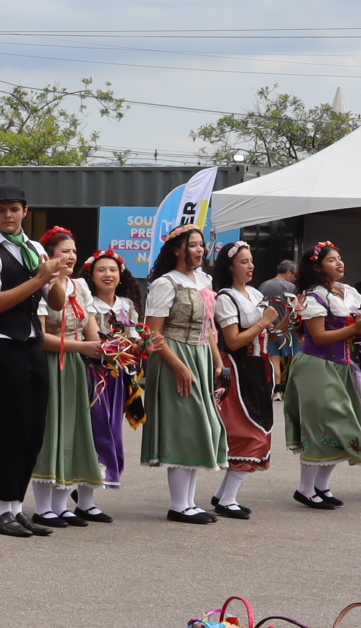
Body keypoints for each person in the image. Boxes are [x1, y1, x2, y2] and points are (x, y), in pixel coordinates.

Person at [0, 184, 61, 535]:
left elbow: (56, 304)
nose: (8, 215)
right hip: (0, 342)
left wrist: (58, 276)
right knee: (13, 427)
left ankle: (16, 507)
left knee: (35, 428)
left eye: (14, 209)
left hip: (31, 341)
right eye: (1, 209)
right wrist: (39, 278)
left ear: (26, 211)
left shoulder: (35, 248)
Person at [140, 224, 228, 523]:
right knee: (182, 428)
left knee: (198, 428)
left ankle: (189, 502)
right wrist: (178, 366)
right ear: (178, 249)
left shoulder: (203, 280)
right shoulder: (166, 283)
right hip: (173, 356)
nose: (200, 249)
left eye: (201, 245)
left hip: (200, 355)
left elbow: (209, 330)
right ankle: (179, 505)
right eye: (193, 245)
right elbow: (152, 334)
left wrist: (217, 363)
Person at [280, 240, 361, 508]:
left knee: (343, 423)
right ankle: (305, 488)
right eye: (332, 259)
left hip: (342, 366)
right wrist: (355, 329)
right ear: (318, 267)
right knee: (321, 425)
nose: (339, 262)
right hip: (316, 365)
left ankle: (321, 485)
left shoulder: (346, 293)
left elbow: (348, 332)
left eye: (339, 258)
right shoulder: (313, 297)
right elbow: (320, 337)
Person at [28, 227, 101, 529]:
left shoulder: (80, 286)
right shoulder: (43, 287)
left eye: (73, 251)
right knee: (49, 432)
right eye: (63, 252)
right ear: (49, 256)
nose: (70, 256)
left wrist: (109, 348)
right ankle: (42, 507)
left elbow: (90, 326)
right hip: (48, 362)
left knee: (70, 431)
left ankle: (61, 505)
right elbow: (40, 338)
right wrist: (84, 347)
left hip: (73, 364)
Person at [208, 239, 284, 519]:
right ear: (230, 266)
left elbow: (270, 333)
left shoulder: (253, 293)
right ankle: (227, 499)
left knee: (259, 429)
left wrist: (283, 319)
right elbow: (234, 341)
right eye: (243, 261)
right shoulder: (226, 298)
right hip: (239, 369)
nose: (251, 266)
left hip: (258, 367)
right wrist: (263, 322)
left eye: (251, 260)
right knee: (247, 433)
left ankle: (224, 496)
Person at [76, 251, 142, 521]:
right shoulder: (87, 303)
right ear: (91, 275)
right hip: (93, 375)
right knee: (94, 433)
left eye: (112, 270)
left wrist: (142, 344)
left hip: (118, 377)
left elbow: (135, 338)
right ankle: (84, 499)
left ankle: (85, 499)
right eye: (101, 270)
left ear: (121, 275)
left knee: (111, 433)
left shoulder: (127, 305)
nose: (108, 275)